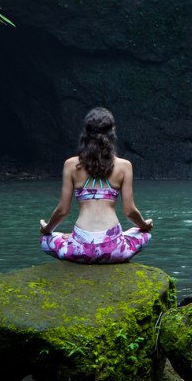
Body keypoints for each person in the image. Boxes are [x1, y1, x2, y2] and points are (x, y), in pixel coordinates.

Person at [40, 107, 153, 264]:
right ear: (112, 132)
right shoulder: (124, 166)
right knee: (143, 234)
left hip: (80, 249)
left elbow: (62, 211)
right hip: (113, 250)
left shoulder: (71, 165)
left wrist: (47, 229)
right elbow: (129, 211)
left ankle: (74, 239)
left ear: (85, 133)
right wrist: (144, 225)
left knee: (46, 240)